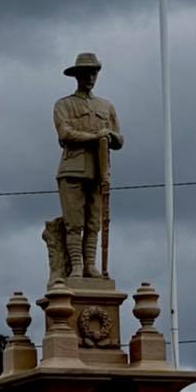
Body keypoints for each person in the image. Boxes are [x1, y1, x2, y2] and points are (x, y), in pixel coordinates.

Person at [53, 52, 123, 279]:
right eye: (86, 73)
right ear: (77, 76)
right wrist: (95, 137)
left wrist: (109, 135)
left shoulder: (106, 106)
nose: (90, 77)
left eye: (93, 72)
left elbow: (120, 140)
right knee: (74, 223)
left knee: (94, 223)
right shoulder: (64, 105)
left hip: (99, 171)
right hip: (73, 170)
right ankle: (76, 266)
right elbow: (65, 133)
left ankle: (90, 266)